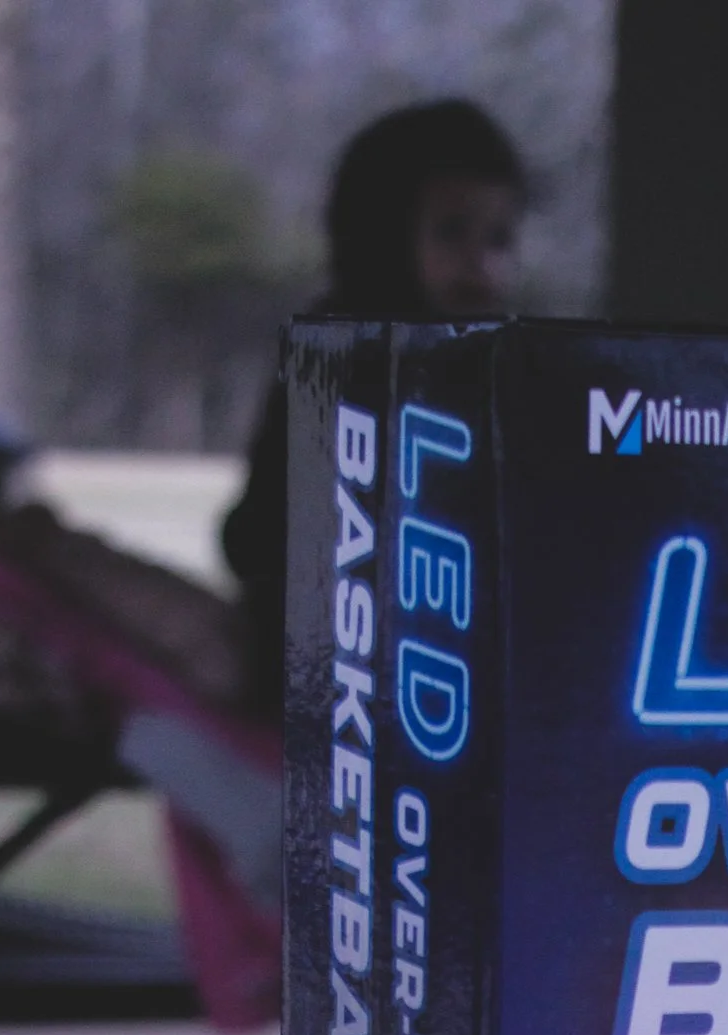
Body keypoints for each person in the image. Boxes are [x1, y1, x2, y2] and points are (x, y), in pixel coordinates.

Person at [224, 98, 528, 719]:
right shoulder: (334, 359)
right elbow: (255, 536)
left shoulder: (504, 367)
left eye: (500, 238)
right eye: (452, 232)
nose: (483, 265)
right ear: (383, 231)